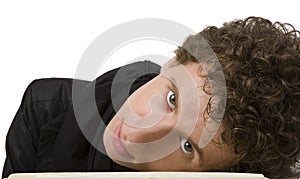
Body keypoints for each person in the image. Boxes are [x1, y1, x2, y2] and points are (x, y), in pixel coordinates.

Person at [2, 16, 300, 179]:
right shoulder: (42, 109)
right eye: (172, 98)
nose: (142, 133)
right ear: (171, 62)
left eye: (187, 146)